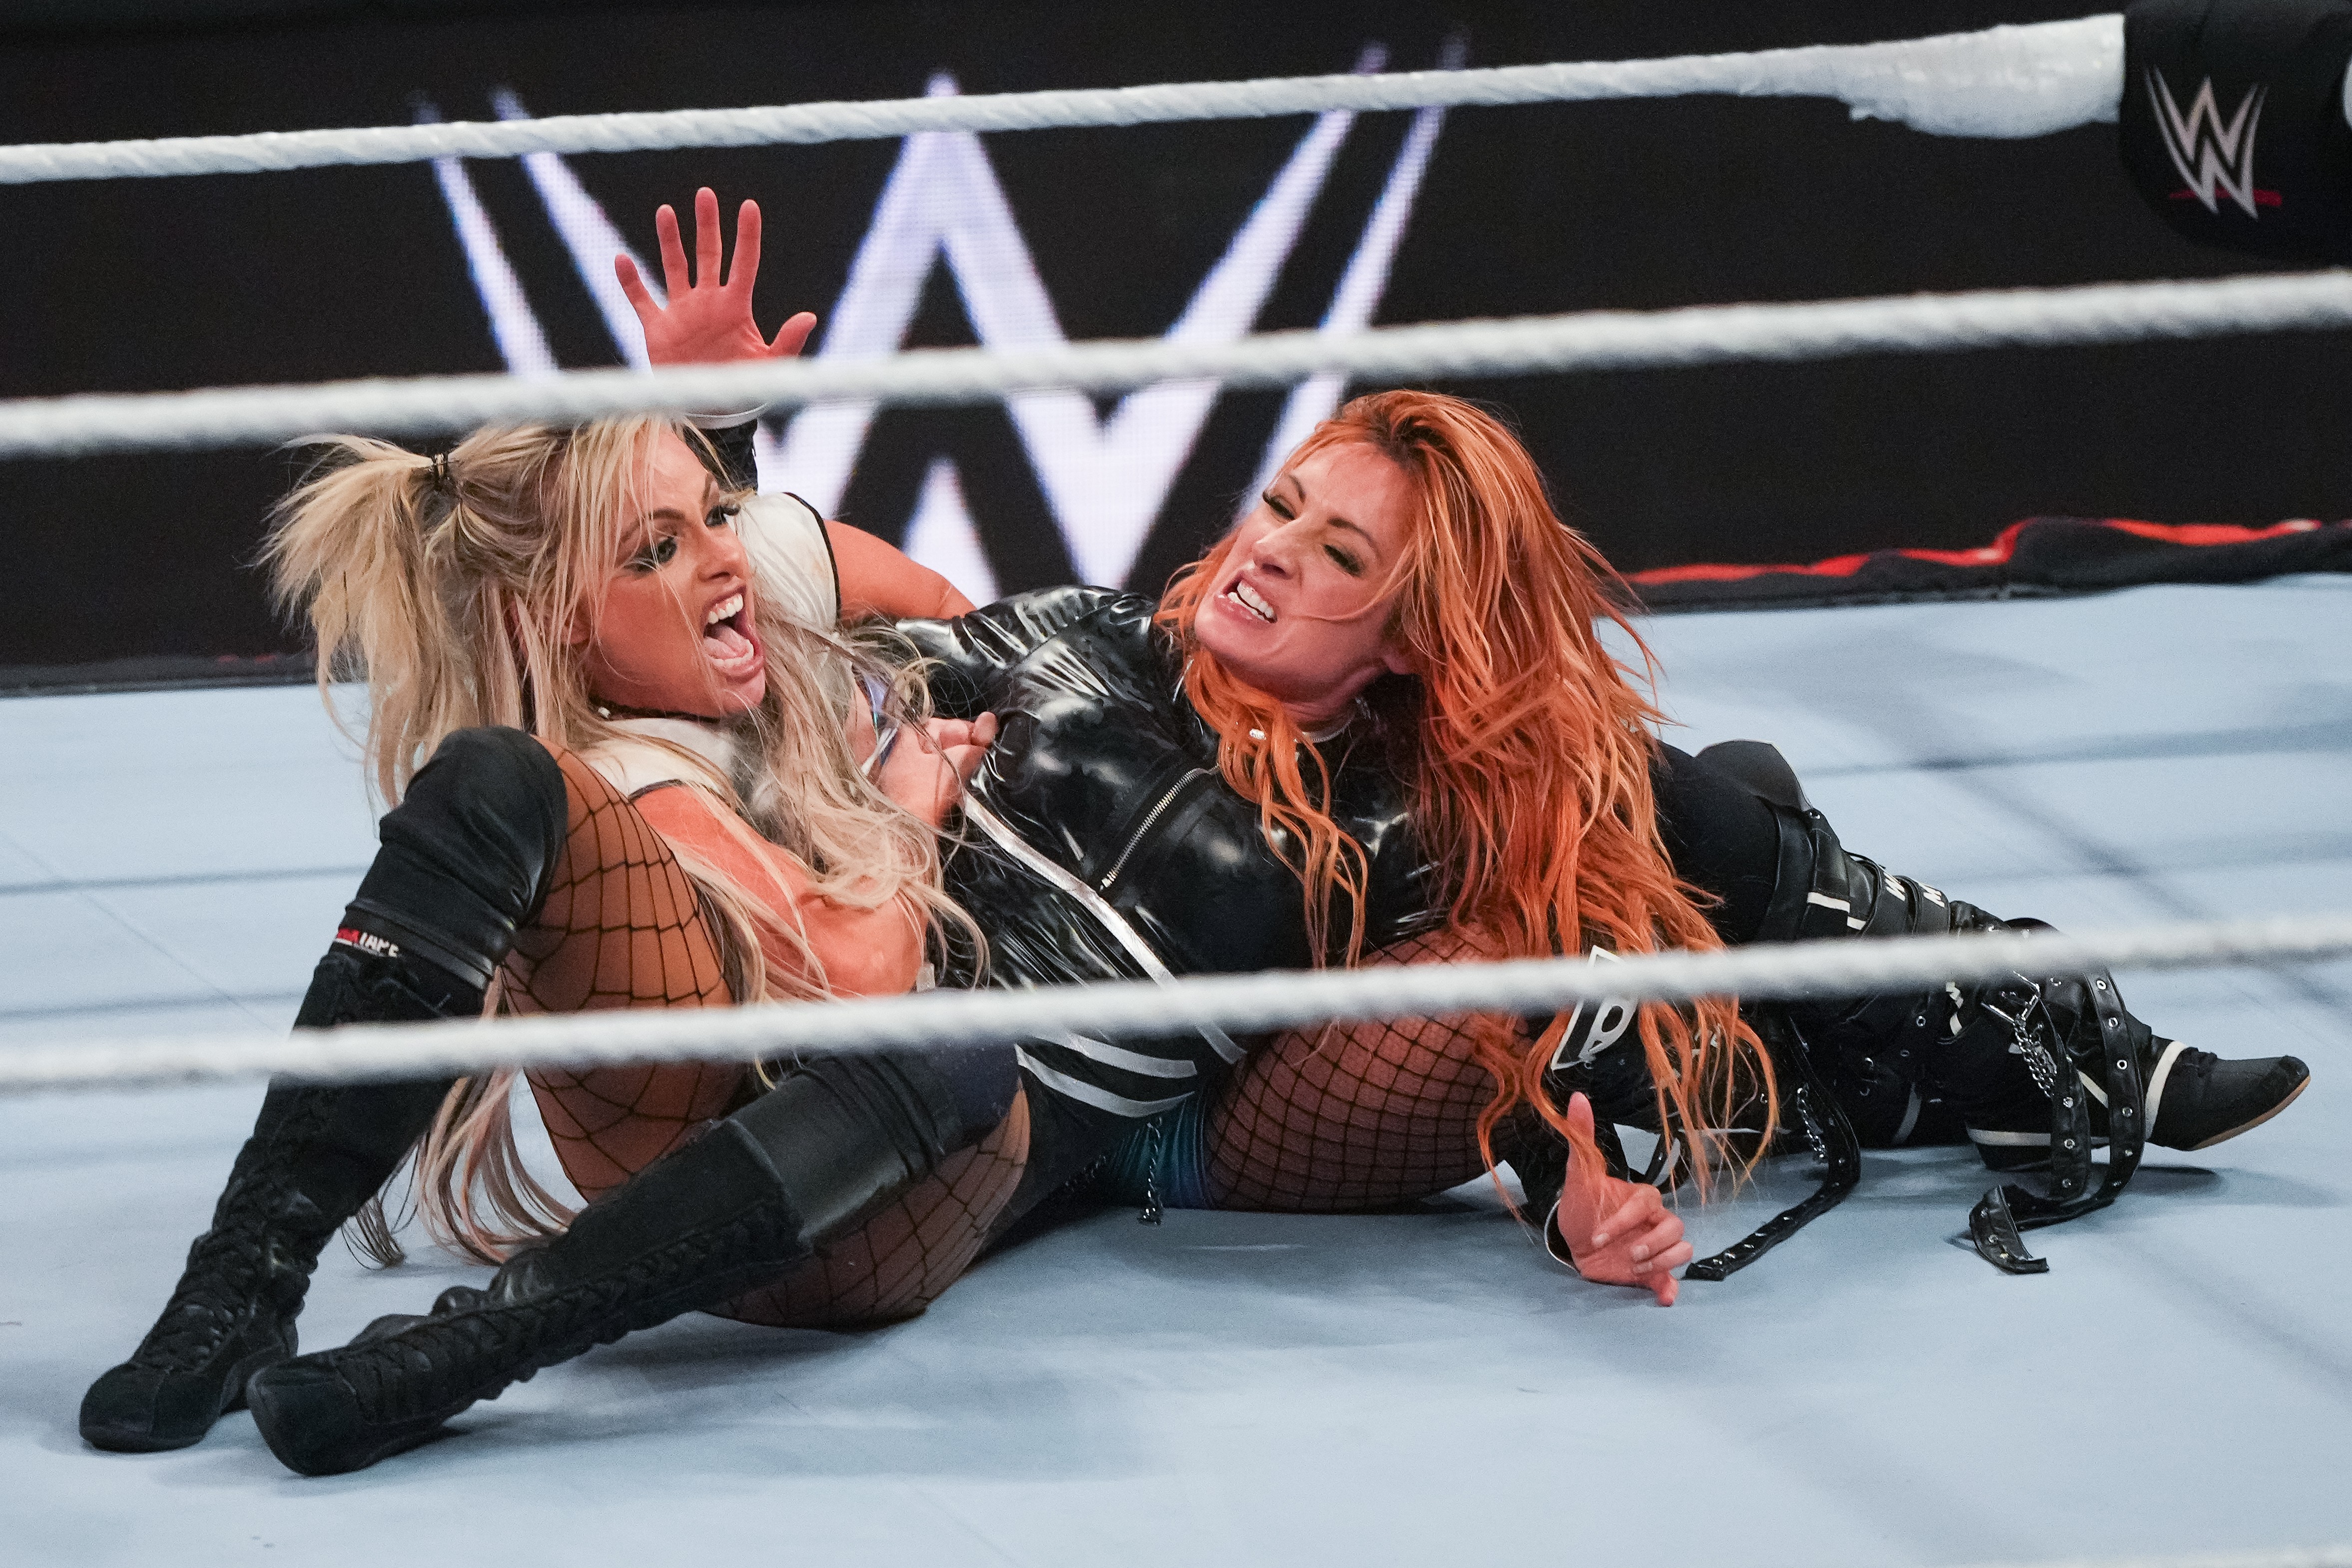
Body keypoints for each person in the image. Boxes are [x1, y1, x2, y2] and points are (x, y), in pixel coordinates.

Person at [231, 373, 2310, 1475]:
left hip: (1140, 1134)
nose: (1265, 557)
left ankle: (2013, 1028)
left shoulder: (1402, 814)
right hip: (908, 1101)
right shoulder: (1060, 640)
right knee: (1688, 813)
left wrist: (1565, 1177)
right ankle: (1974, 1025)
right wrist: (709, 445)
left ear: (1403, 633)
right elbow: (769, 610)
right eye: (1277, 510)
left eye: (1332, 559)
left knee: (1668, 806)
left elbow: (1495, 1017)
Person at [76, 190, 1009, 1464]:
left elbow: (965, 622)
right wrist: (901, 813)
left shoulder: (753, 567)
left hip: (943, 1138)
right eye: (652, 553)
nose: (721, 560)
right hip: (766, 1203)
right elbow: (863, 972)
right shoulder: (634, 777)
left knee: (968, 1049)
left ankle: (451, 1342)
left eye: (714, 518)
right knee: (931, 1033)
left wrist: (710, 448)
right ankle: (245, 1284)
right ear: (566, 621)